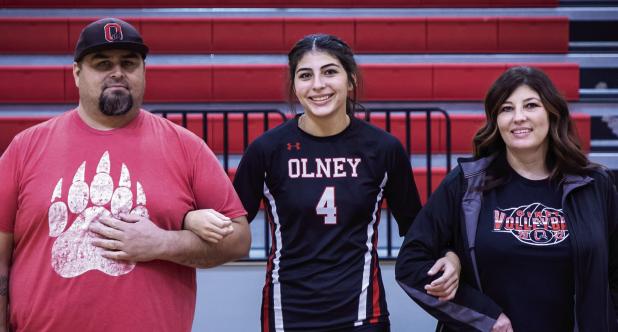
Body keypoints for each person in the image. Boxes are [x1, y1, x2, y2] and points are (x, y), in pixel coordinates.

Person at [191, 33, 459, 332]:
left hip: (362, 314)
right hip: (287, 314)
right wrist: (190, 217)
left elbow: (416, 228)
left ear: (351, 80)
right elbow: (231, 227)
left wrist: (450, 255)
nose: (318, 84)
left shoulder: (383, 149)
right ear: (294, 85)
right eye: (305, 75)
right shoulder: (267, 150)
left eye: (330, 72)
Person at [0, 18, 250, 331]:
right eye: (102, 63)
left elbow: (240, 239)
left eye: (129, 63)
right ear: (77, 73)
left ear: (144, 71)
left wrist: (163, 243)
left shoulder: (185, 147)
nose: (117, 72)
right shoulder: (26, 147)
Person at [395, 66, 618, 332]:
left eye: (531, 105)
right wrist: (485, 317)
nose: (519, 117)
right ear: (495, 120)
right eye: (506, 108)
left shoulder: (595, 184)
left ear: (552, 113)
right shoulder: (467, 182)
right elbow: (411, 265)